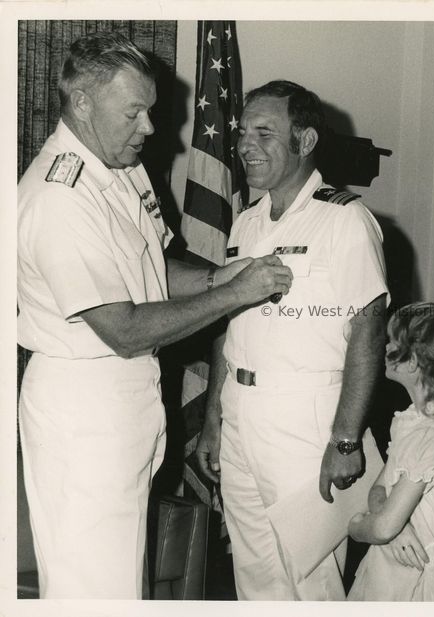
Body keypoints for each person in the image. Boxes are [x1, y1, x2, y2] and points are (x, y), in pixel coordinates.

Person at [16, 32, 293, 599]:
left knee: (122, 580)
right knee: (91, 589)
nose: (149, 128)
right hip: (84, 404)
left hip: (128, 398)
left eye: (150, 110)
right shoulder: (58, 197)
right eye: (134, 112)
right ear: (83, 104)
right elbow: (122, 327)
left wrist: (221, 278)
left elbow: (150, 266)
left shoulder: (118, 166)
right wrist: (234, 297)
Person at [195, 80, 389, 600]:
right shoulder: (247, 221)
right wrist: (213, 415)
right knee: (253, 572)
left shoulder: (345, 220)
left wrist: (346, 439)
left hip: (305, 420)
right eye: (242, 132)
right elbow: (228, 322)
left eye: (265, 132)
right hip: (239, 413)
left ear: (304, 141)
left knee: (309, 579)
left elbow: (368, 330)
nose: (245, 146)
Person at [346, 303, 434, 601]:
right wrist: (398, 526)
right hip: (398, 569)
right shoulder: (416, 421)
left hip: (428, 581)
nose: (386, 346)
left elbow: (380, 528)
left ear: (414, 362)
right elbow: (379, 488)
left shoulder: (431, 435)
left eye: (394, 342)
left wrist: (355, 526)